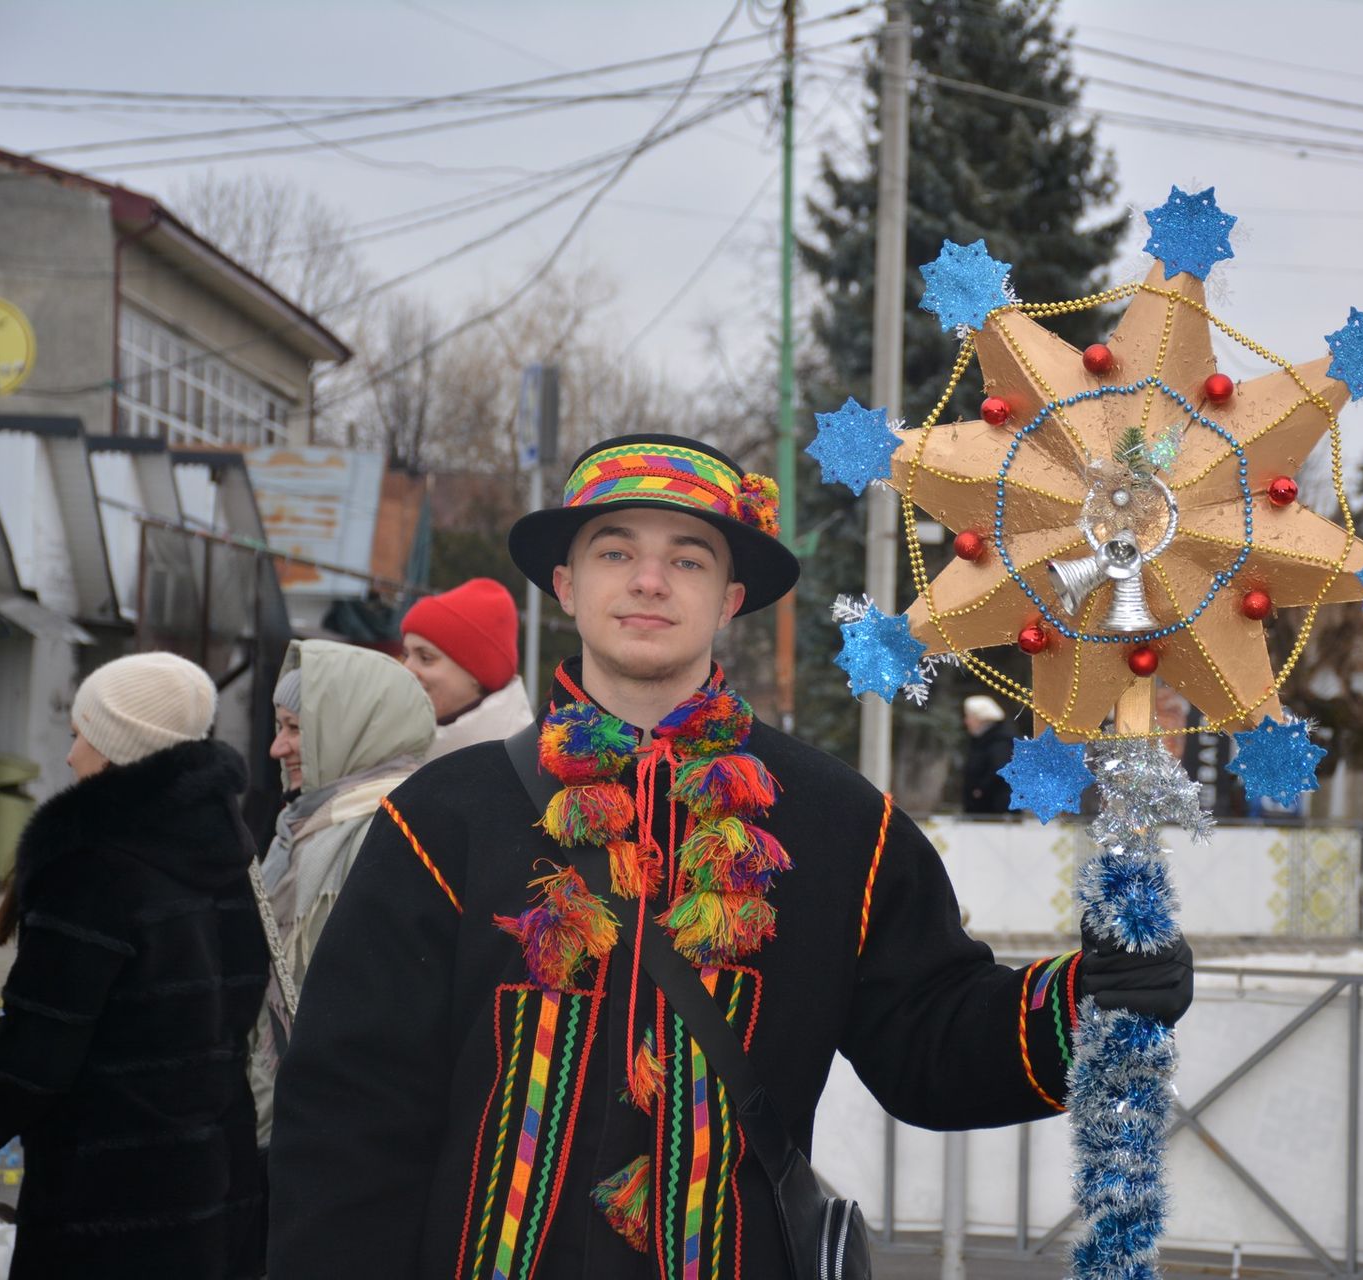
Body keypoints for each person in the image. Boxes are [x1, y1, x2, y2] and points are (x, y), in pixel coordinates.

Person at [269, 434, 1193, 1277]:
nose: (649, 581)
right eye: (616, 551)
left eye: (688, 559)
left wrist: (1088, 1003)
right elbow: (350, 1116)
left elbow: (930, 1041)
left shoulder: (839, 825)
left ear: (731, 599)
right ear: (565, 583)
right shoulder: (442, 815)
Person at [0, 652, 266, 1278]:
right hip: (215, 1189)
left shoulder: (91, 871)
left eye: (78, 734)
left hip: (107, 1210)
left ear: (117, 745)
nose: (68, 755)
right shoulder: (228, 849)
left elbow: (32, 1059)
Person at [248, 638, 434, 1145]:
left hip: (330, 1133)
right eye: (278, 726)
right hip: (291, 1120)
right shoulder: (308, 825)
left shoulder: (380, 833)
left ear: (348, 731)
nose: (277, 747)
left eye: (295, 729)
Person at [401, 576, 534, 759]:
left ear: (476, 675)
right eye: (406, 655)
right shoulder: (396, 748)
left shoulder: (526, 762)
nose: (406, 669)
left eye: (425, 657)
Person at [961, 693, 1016, 813]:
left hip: (995, 809)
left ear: (981, 719)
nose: (966, 722)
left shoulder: (1000, 741)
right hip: (982, 807)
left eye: (969, 717)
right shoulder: (982, 740)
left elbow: (1000, 768)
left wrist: (980, 789)